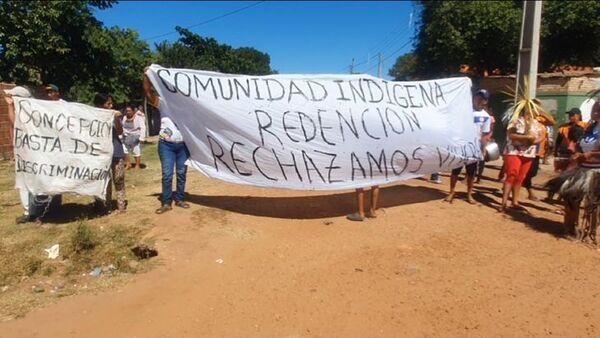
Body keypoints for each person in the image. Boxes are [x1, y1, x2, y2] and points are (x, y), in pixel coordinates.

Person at [546, 102, 600, 239]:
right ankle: (570, 227)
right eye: (595, 107)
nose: (595, 110)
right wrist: (577, 153)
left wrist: (591, 155)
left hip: (596, 170)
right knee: (571, 197)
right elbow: (580, 145)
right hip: (582, 168)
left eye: (598, 108)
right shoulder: (590, 127)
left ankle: (591, 232)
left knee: (593, 203)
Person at [143, 68, 191, 214]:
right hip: (166, 145)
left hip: (183, 145)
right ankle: (166, 202)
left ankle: (180, 198)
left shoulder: (189, 106)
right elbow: (148, 93)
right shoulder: (163, 103)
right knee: (167, 174)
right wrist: (146, 76)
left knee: (182, 173)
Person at [444, 89, 492, 204]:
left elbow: (485, 135)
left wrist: (483, 150)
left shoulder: (486, 117)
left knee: (471, 174)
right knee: (455, 171)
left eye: (483, 99)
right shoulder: (463, 111)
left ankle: (469, 195)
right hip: (460, 146)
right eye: (478, 97)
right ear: (474, 98)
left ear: (486, 101)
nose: (480, 100)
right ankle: (451, 192)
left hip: (474, 148)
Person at [500, 104, 544, 212]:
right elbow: (511, 134)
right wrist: (526, 138)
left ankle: (515, 201)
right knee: (512, 175)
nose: (530, 112)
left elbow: (542, 136)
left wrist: (533, 140)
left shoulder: (536, 124)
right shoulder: (515, 121)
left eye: (532, 110)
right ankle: (504, 203)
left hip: (528, 153)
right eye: (528, 110)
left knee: (521, 177)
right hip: (514, 151)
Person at [93, 93, 126, 214]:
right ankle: (104, 206)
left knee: (119, 179)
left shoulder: (113, 116)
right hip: (101, 153)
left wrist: (117, 119)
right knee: (103, 180)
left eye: (111, 103)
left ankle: (121, 206)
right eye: (108, 103)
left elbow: (120, 131)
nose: (111, 105)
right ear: (100, 105)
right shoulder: (92, 117)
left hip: (115, 152)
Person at [522, 116, 550, 201]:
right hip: (528, 152)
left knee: (532, 173)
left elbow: (551, 121)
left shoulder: (541, 124)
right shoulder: (528, 124)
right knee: (528, 173)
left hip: (537, 153)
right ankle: (530, 193)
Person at [554, 108, 587, 172]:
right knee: (563, 171)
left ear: (578, 116)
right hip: (565, 152)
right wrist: (556, 150)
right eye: (569, 115)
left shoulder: (586, 126)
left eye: (572, 115)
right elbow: (558, 140)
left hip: (579, 153)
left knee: (576, 171)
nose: (570, 116)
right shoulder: (563, 127)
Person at [122, 103, 146, 169]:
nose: (128, 112)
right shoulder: (124, 117)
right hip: (126, 136)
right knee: (124, 150)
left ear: (133, 111)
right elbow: (123, 127)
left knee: (135, 150)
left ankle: (137, 165)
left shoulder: (139, 118)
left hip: (135, 136)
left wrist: (142, 138)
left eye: (129, 111)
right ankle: (128, 164)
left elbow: (143, 127)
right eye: (127, 111)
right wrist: (123, 134)